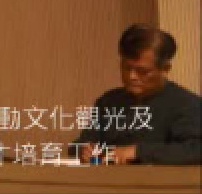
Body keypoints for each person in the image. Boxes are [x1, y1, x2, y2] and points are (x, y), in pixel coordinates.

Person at [73, 24, 201, 164]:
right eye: (126, 68)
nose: (131, 76)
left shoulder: (187, 104)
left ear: (165, 69)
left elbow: (195, 150)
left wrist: (138, 152)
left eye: (142, 71)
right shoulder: (108, 101)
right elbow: (82, 142)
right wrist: (83, 149)